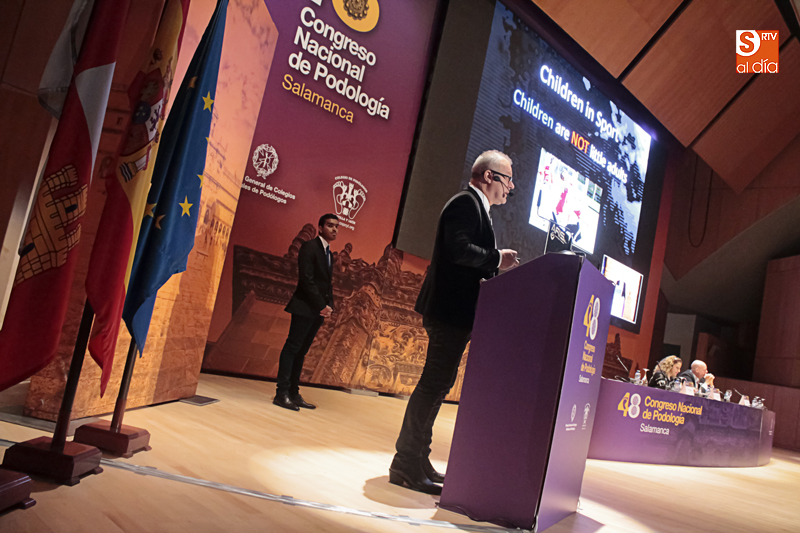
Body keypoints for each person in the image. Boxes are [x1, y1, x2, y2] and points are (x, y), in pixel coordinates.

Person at [389, 150, 519, 495]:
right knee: (433, 385)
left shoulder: (477, 208)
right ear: (489, 176)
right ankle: (405, 462)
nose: (511, 187)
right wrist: (497, 258)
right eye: (508, 179)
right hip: (449, 312)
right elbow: (458, 251)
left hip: (455, 313)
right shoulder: (465, 203)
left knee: (439, 385)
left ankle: (418, 459)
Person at [273, 214, 339, 411]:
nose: (334, 229)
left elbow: (326, 284)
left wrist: (329, 306)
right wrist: (321, 305)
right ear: (320, 228)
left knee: (301, 351)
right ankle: (281, 394)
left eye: (336, 226)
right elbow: (306, 280)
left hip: (317, 311)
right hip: (304, 307)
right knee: (292, 348)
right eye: (330, 225)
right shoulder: (310, 247)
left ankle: (294, 393)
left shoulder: (328, 253)